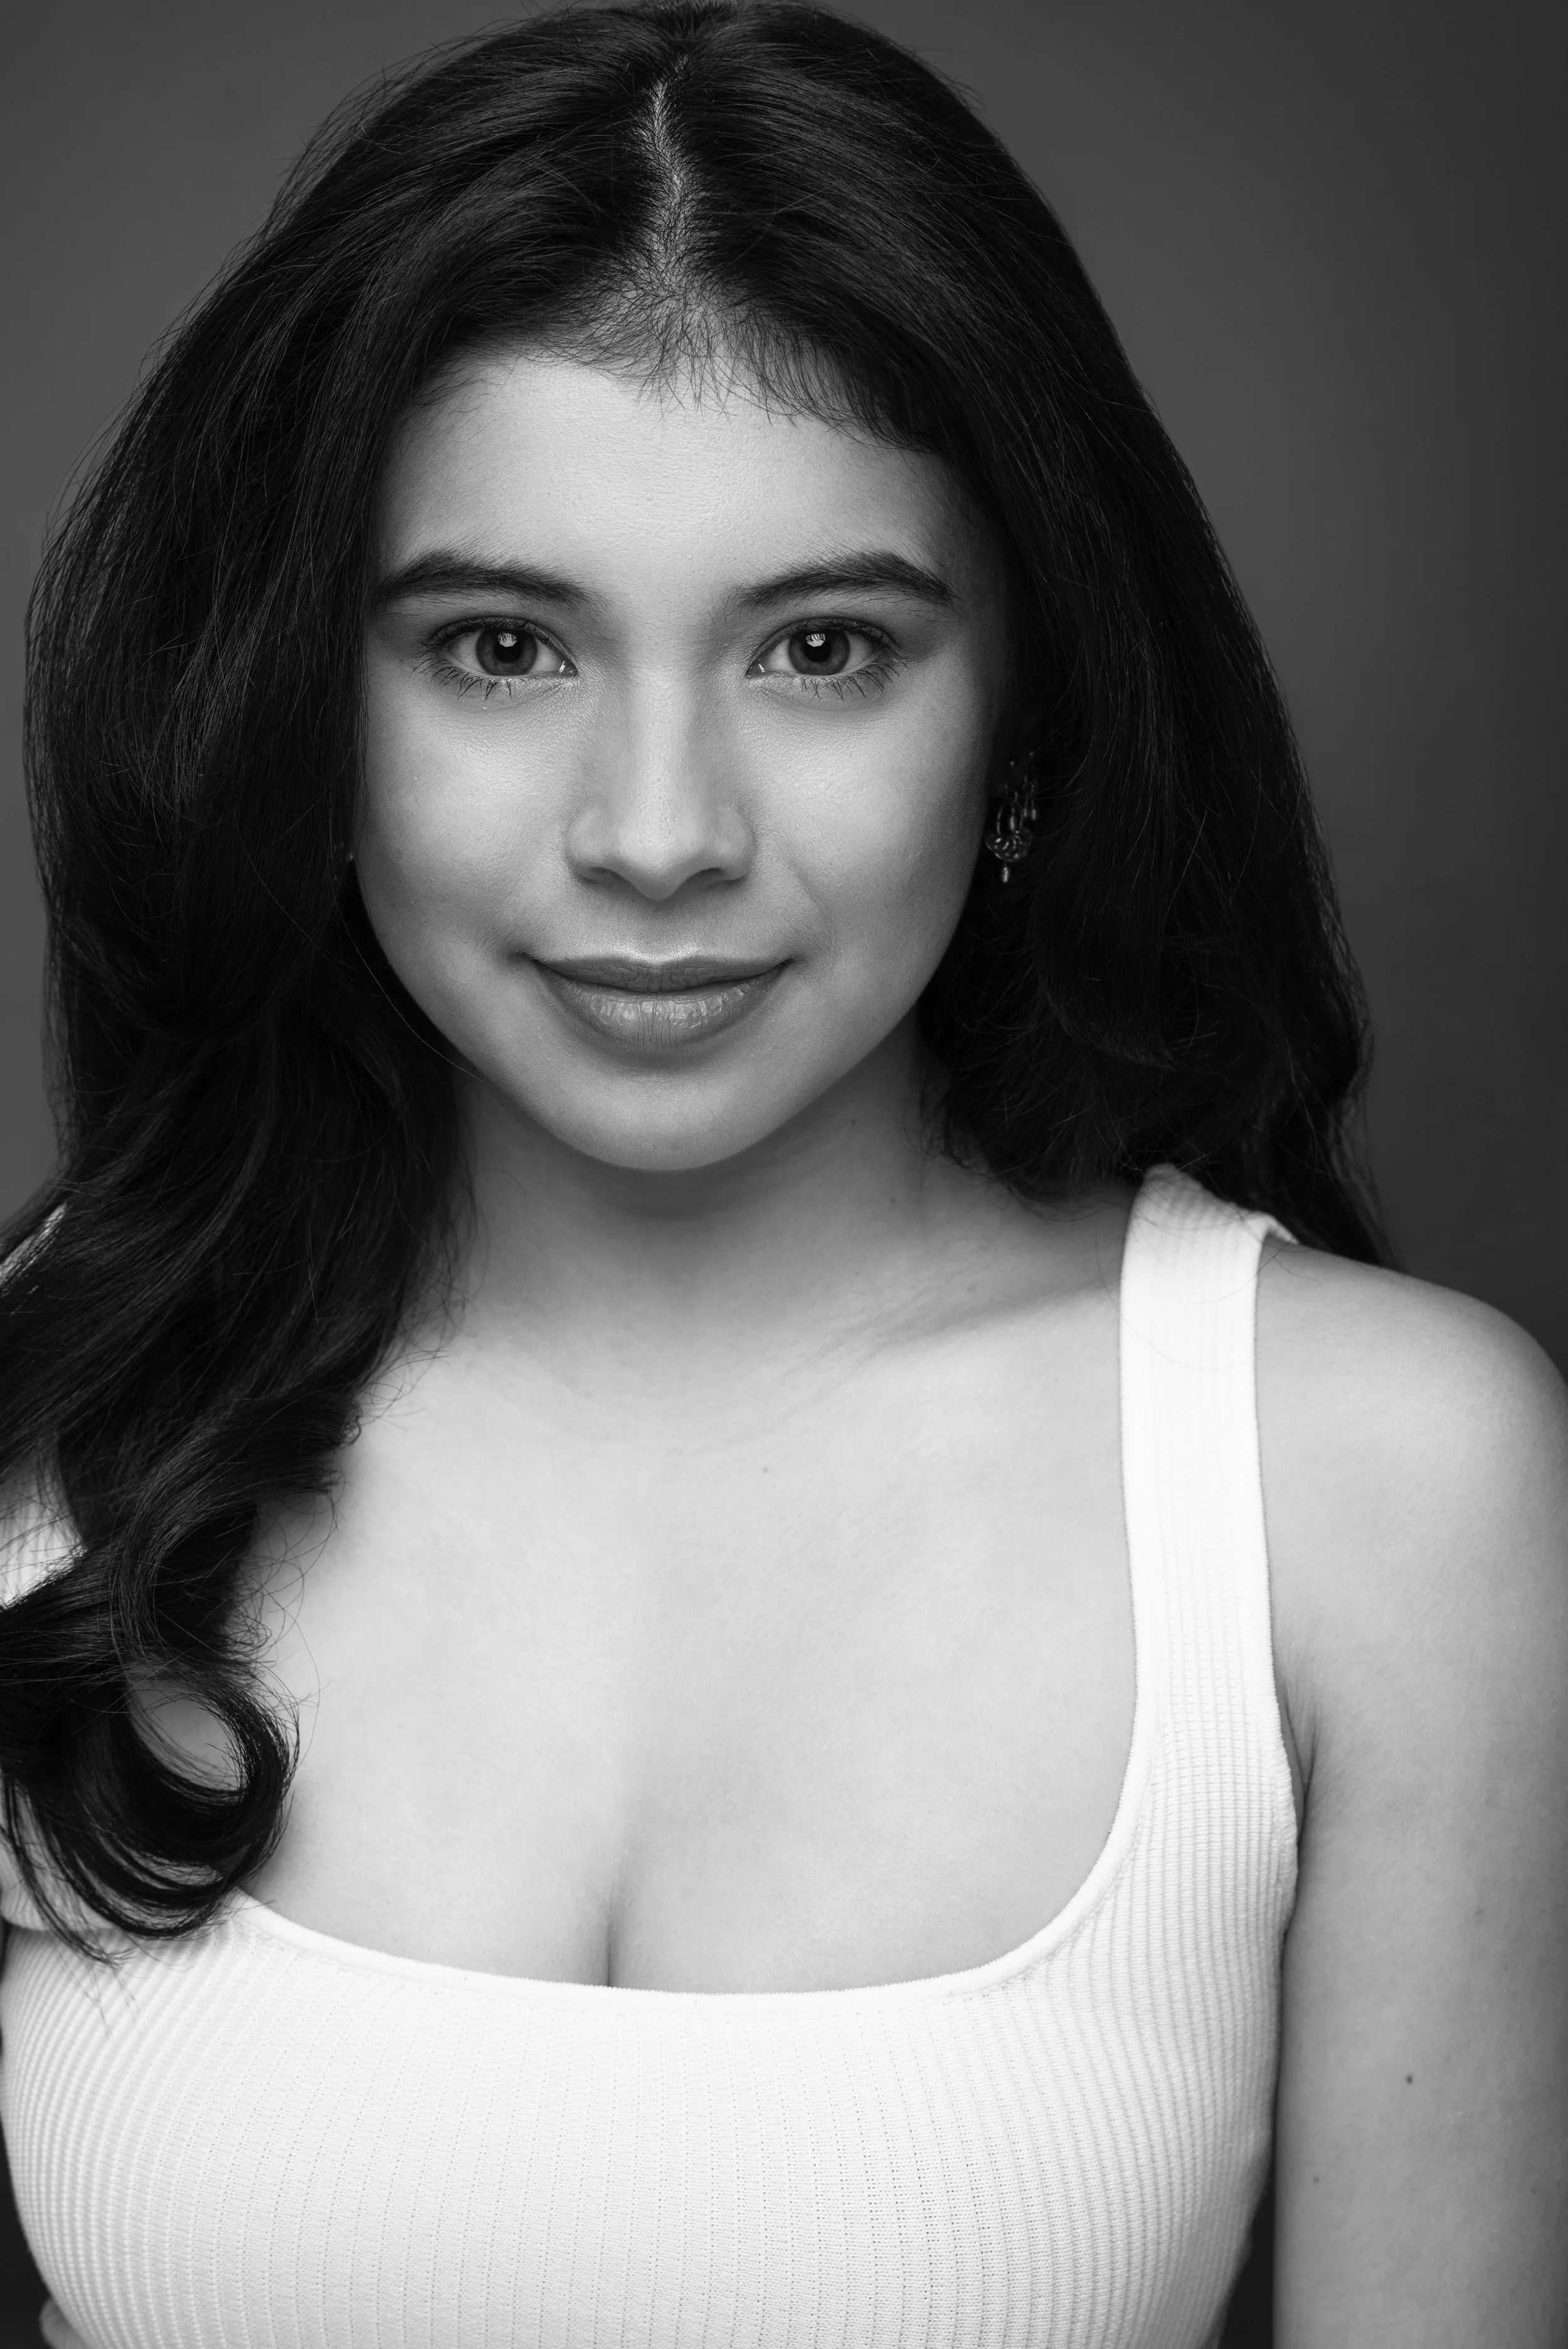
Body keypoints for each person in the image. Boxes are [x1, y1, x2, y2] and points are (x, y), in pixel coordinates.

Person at [2, 3, 1565, 2343]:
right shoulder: (49, 1403)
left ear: (1023, 714)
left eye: (823, 647)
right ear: (301, 708)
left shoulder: (1370, 1488)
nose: (658, 836)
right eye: (501, 646)